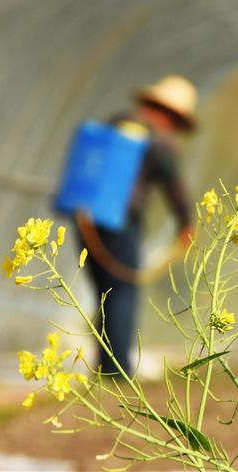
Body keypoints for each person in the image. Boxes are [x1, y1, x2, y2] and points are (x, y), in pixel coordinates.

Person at [79, 75, 197, 376]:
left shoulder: (115, 123)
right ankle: (117, 371)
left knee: (103, 292)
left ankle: (106, 365)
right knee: (122, 293)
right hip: (120, 222)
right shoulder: (159, 141)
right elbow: (175, 187)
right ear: (171, 115)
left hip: (85, 217)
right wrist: (186, 223)